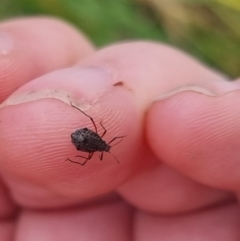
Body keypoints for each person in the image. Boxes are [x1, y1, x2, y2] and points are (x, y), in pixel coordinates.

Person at [0, 17, 239, 241]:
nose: (108, 146)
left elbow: (91, 141)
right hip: (81, 137)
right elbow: (96, 132)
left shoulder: (100, 145)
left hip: (82, 139)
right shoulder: (101, 143)